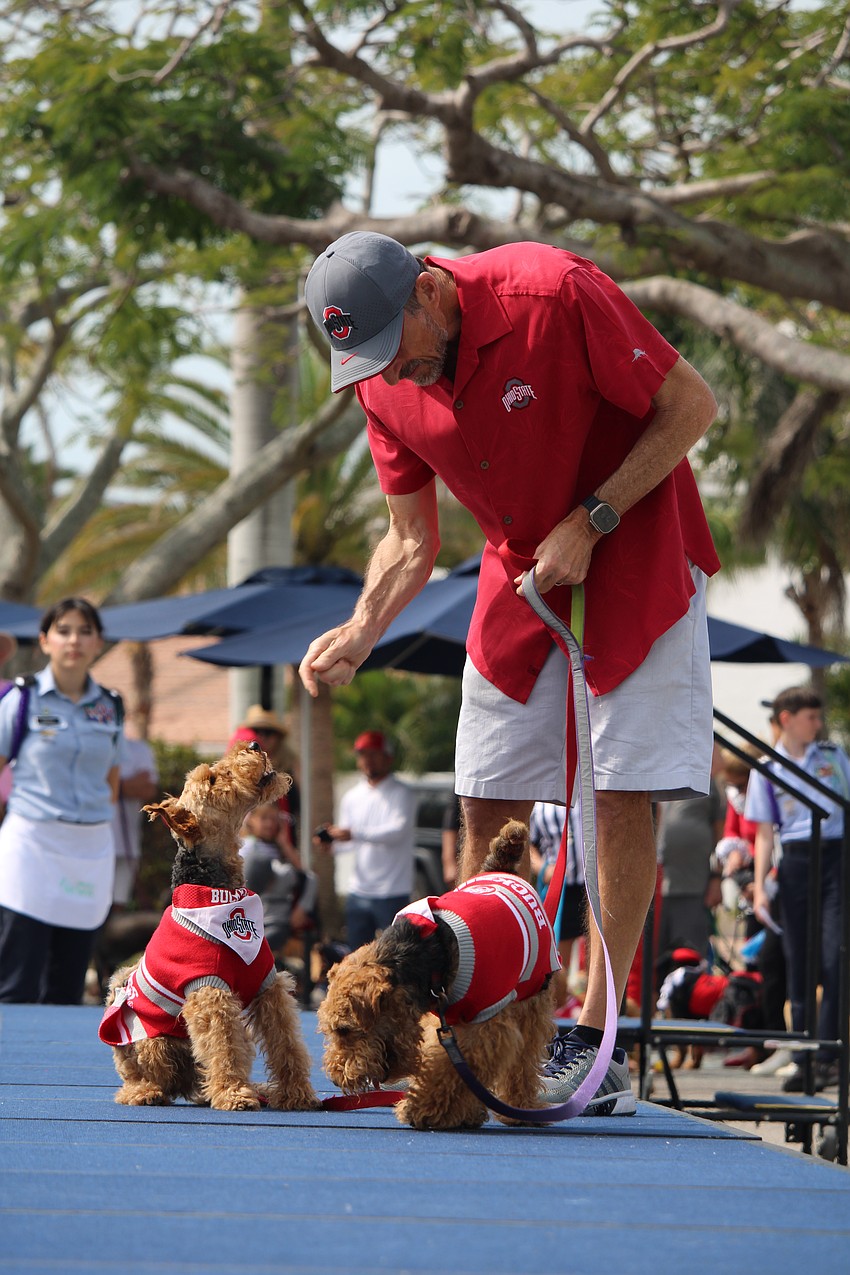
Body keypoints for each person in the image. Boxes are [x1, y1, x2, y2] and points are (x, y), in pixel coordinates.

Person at [300, 231, 719, 1112]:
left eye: (392, 348)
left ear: (429, 291)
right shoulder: (385, 380)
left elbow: (690, 405)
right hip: (517, 570)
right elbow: (411, 536)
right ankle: (480, 1015)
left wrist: (594, 517)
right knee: (485, 793)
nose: (387, 373)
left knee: (619, 790)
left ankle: (593, 1037)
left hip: (638, 543)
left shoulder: (551, 290)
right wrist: (361, 624)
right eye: (365, 361)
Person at [0, 598, 122, 1004]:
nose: (75, 640)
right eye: (64, 630)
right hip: (30, 845)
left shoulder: (112, 706)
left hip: (89, 850)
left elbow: (112, 780)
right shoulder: (21, 700)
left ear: (99, 642)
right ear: (44, 641)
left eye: (85, 631)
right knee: (17, 979)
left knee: (68, 983)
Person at [746, 685, 850, 1092]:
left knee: (834, 957)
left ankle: (829, 1055)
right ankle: (805, 1056)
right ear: (787, 718)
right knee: (800, 961)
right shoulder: (767, 766)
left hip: (836, 858)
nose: (818, 724)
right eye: (810, 717)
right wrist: (758, 888)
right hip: (796, 862)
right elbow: (763, 835)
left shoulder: (833, 757)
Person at [314, 730, 415, 951]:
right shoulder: (352, 797)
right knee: (357, 953)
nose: (367, 760)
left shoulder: (402, 793)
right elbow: (349, 843)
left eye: (373, 754)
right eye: (362, 755)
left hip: (392, 890)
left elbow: (397, 832)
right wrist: (331, 845)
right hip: (359, 890)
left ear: (387, 757)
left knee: (397, 953)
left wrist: (354, 834)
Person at [240, 801, 318, 960]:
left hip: (278, 919)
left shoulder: (280, 850)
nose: (269, 824)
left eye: (274, 819)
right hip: (252, 917)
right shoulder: (246, 847)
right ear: (251, 819)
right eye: (264, 818)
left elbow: (307, 876)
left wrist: (284, 843)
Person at [529, 801, 585, 1016]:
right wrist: (542, 868)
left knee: (592, 965)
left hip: (593, 885)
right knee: (557, 963)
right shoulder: (538, 799)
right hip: (559, 890)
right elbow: (529, 842)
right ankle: (556, 1016)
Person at [232, 705, 301, 864]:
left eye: (268, 732)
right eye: (257, 731)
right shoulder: (240, 771)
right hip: (249, 844)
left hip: (280, 841)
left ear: (277, 738)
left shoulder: (288, 768)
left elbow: (296, 807)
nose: (261, 737)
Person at [111, 712, 159, 910]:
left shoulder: (139, 750)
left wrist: (110, 786)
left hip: (126, 844)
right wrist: (125, 786)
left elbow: (148, 789)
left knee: (118, 906)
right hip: (88, 845)